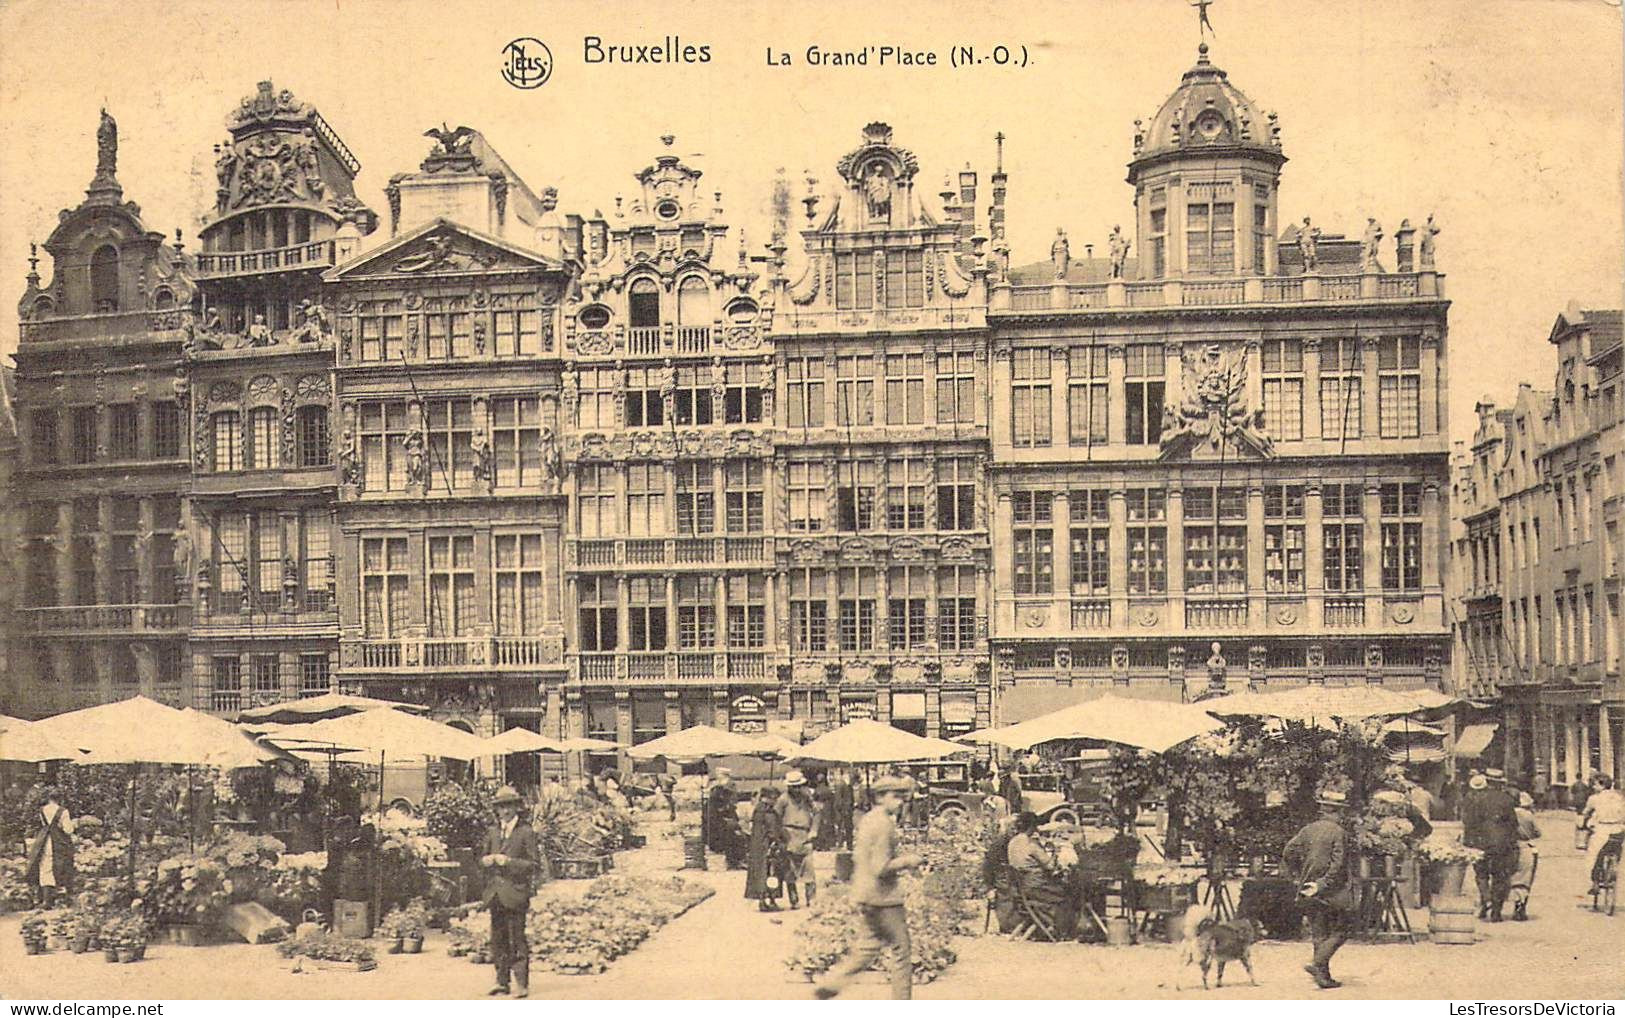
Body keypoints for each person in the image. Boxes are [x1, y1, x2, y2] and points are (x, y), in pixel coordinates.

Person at [814, 775, 926, 1000]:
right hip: (885, 897)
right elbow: (881, 867)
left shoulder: (868, 819)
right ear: (881, 797)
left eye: (903, 797)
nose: (901, 802)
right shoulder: (884, 824)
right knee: (901, 952)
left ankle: (831, 983)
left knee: (869, 946)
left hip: (865, 893)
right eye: (896, 796)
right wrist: (909, 861)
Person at [1283, 789, 1354, 990]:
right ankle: (1317, 964)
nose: (1342, 816)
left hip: (1306, 887)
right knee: (1343, 930)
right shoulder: (1339, 832)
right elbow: (1337, 865)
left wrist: (1298, 875)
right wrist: (1322, 884)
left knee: (1319, 933)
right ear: (1336, 812)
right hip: (1331, 891)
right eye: (1341, 812)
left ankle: (1323, 976)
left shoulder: (1307, 830)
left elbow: (1289, 851)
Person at [480, 786, 540, 998]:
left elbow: (533, 864)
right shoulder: (493, 832)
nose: (504, 812)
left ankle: (522, 984)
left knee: (517, 938)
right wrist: (485, 861)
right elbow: (482, 858)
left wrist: (509, 862)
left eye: (508, 807)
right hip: (495, 893)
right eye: (500, 807)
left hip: (515, 893)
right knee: (498, 939)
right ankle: (501, 981)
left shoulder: (526, 832)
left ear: (516, 807)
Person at [1462, 768, 1520, 921]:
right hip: (1501, 844)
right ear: (1501, 783)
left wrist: (1469, 842)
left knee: (1481, 874)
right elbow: (1513, 823)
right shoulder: (1507, 799)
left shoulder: (1476, 798)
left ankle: (1485, 898)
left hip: (1480, 843)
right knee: (1499, 877)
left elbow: (1469, 822)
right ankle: (1496, 912)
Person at [25, 788, 75, 909]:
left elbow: (44, 825)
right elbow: (68, 830)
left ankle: (46, 900)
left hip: (44, 841)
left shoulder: (42, 810)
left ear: (49, 798)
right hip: (58, 841)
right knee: (61, 865)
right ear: (59, 799)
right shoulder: (63, 811)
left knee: (45, 866)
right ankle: (60, 897)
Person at [779, 771, 821, 909]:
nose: (797, 789)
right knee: (789, 870)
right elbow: (776, 817)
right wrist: (781, 835)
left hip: (804, 835)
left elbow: (817, 813)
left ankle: (811, 898)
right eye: (794, 786)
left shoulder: (807, 798)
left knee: (809, 869)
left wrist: (814, 830)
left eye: (799, 786)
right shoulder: (783, 799)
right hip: (789, 835)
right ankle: (793, 898)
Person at [1578, 775, 1625, 893]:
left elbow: (1586, 812)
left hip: (1602, 829)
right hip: (1619, 830)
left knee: (1593, 855)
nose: (1593, 787)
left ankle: (1595, 883)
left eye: (1595, 784)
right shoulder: (1620, 797)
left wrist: (1582, 824)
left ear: (1601, 785)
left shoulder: (1594, 798)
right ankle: (1614, 868)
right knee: (1616, 848)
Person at [744, 786, 786, 911]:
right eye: (774, 798)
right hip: (767, 845)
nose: (776, 801)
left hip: (757, 846)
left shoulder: (758, 810)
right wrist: (778, 841)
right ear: (768, 798)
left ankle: (762, 899)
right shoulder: (768, 812)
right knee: (771, 872)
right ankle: (771, 900)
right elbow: (772, 830)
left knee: (761, 873)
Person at [1509, 790, 1541, 921]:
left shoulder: (1509, 814)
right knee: (1525, 878)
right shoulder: (1529, 816)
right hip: (1526, 846)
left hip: (1510, 846)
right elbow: (1538, 832)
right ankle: (1520, 906)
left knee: (1512, 877)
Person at [706, 769, 745, 869]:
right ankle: (730, 860)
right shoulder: (718, 786)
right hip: (720, 817)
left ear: (723, 775)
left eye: (718, 775)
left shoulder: (729, 786)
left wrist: (724, 809)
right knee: (726, 838)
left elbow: (732, 802)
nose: (717, 776)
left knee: (731, 838)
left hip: (728, 816)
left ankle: (733, 861)